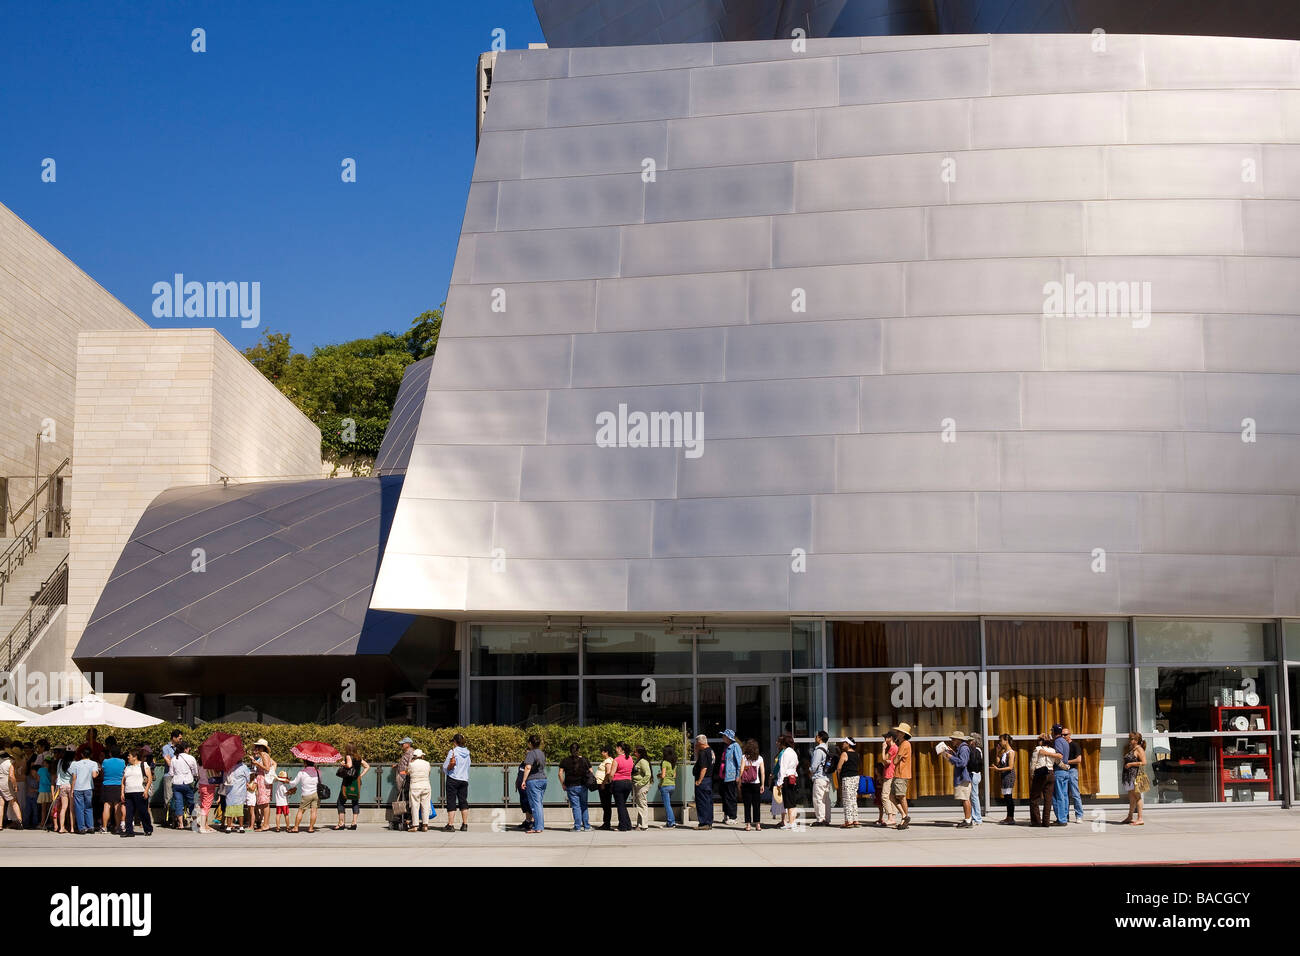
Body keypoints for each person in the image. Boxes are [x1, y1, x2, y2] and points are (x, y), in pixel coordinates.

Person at [334, 742, 369, 831]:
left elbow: (349, 765)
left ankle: (341, 824)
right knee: (355, 801)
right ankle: (354, 823)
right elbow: (367, 766)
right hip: (356, 782)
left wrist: (343, 764)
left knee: (340, 802)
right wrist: (360, 775)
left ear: (348, 749)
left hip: (348, 782)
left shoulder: (348, 756)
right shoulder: (359, 758)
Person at [558, 743, 592, 832]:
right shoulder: (584, 760)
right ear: (579, 750)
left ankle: (577, 827)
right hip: (583, 785)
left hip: (571, 786)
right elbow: (591, 771)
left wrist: (563, 784)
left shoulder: (565, 760)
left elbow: (560, 773)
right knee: (584, 805)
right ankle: (587, 826)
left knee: (576, 807)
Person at [441, 734, 471, 832]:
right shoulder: (467, 752)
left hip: (453, 778)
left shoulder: (453, 751)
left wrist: (447, 771)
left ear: (455, 742)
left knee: (451, 801)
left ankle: (450, 825)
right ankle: (465, 824)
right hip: (464, 779)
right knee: (463, 801)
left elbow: (445, 766)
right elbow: (468, 765)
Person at [943, 731, 973, 829]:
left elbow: (962, 763)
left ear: (958, 740)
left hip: (963, 778)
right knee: (964, 799)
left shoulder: (964, 748)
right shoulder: (961, 748)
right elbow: (960, 760)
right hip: (962, 777)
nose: (952, 741)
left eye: (953, 739)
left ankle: (968, 820)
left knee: (965, 799)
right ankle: (967, 819)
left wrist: (951, 757)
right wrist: (953, 754)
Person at [121, 749, 153, 837]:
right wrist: (122, 793)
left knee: (143, 811)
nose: (128, 757)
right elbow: (123, 781)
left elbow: (149, 778)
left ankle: (148, 829)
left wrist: (146, 790)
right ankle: (129, 831)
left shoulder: (143, 765)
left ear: (135, 757)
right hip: (129, 792)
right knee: (129, 813)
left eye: (129, 756)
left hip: (140, 791)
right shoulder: (127, 767)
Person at [519, 734, 547, 834]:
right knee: (539, 803)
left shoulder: (531, 753)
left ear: (530, 743)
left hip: (533, 780)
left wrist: (523, 780)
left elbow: (528, 767)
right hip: (543, 779)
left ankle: (537, 827)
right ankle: (539, 825)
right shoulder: (542, 753)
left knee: (535, 805)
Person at [1029, 732, 1058, 828]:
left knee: (1034, 798)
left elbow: (1033, 763)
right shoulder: (1053, 751)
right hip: (1051, 773)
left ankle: (1036, 821)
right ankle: (1046, 822)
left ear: (1041, 741)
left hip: (1040, 774)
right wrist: (1067, 767)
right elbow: (1059, 762)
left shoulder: (1037, 749)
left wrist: (1031, 774)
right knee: (1048, 799)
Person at [70, 748, 99, 834]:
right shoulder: (94, 763)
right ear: (91, 755)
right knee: (88, 807)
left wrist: (72, 789)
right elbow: (94, 775)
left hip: (78, 787)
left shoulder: (75, 764)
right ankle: (90, 826)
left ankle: (82, 828)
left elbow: (74, 777)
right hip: (88, 787)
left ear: (82, 754)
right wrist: (98, 772)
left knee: (79, 808)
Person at [287, 760, 321, 833]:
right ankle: (311, 828)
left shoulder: (302, 772)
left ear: (305, 763)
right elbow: (320, 781)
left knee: (301, 811)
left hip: (306, 794)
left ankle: (296, 828)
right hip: (316, 794)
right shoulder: (318, 771)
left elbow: (294, 783)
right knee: (314, 811)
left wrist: (288, 781)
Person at [774, 733, 800, 829]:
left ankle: (791, 822)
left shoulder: (785, 753)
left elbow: (782, 769)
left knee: (788, 802)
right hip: (793, 777)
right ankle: (792, 822)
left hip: (786, 778)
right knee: (792, 802)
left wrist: (779, 782)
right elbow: (797, 763)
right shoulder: (793, 752)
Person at [1121, 732, 1147, 826]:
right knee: (1131, 797)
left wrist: (1131, 764)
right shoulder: (1131, 748)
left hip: (1135, 776)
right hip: (1128, 776)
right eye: (1130, 738)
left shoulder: (1139, 749)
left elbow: (1144, 762)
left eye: (1131, 738)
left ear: (1136, 740)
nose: (1130, 740)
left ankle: (1140, 818)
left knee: (1137, 796)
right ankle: (1130, 816)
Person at [891, 723, 914, 830]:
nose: (897, 733)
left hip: (901, 773)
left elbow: (896, 760)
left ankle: (904, 818)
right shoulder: (903, 744)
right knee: (892, 796)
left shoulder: (905, 744)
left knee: (901, 796)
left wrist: (892, 755)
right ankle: (904, 816)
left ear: (903, 734)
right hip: (899, 773)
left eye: (899, 732)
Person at [739, 738, 765, 831]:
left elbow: (741, 770)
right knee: (756, 805)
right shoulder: (760, 758)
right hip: (756, 783)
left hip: (746, 784)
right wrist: (762, 784)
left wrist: (739, 781)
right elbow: (762, 773)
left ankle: (748, 825)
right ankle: (758, 825)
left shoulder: (744, 757)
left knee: (747, 805)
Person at [251, 739, 276, 831]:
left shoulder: (264, 755)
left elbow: (267, 768)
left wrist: (257, 763)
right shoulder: (264, 755)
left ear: (263, 747)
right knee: (263, 803)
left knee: (265, 803)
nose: (256, 748)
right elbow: (274, 764)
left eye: (258, 746)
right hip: (263, 780)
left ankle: (265, 824)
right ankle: (264, 824)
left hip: (263, 781)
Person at [100, 746, 126, 834]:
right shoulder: (122, 762)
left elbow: (102, 773)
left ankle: (104, 827)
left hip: (107, 784)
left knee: (106, 806)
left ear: (110, 753)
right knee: (117, 806)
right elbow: (124, 773)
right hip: (118, 785)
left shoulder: (105, 761)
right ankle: (118, 827)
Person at [835, 738, 860, 828]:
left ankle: (848, 821)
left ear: (848, 744)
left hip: (847, 778)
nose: (842, 744)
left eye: (844, 743)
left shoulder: (844, 754)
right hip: (856, 777)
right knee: (853, 799)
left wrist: (838, 777)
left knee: (846, 800)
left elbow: (839, 767)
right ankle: (855, 820)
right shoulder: (856, 754)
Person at [876, 731, 898, 827]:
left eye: (886, 737)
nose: (885, 739)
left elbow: (885, 760)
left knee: (884, 796)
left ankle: (890, 817)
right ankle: (892, 817)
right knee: (891, 796)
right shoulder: (895, 747)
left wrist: (883, 749)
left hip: (889, 774)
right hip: (892, 773)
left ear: (891, 738)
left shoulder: (892, 748)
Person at [222, 759, 251, 834]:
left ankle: (228, 827)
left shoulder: (228, 767)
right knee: (240, 810)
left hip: (230, 791)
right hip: (240, 792)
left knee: (229, 809)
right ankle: (241, 827)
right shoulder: (244, 767)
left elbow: (224, 779)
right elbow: (248, 779)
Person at [407, 748, 433, 831]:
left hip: (415, 786)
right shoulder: (427, 763)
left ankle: (415, 825)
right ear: (421, 756)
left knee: (415, 806)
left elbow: (407, 772)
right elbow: (429, 773)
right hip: (426, 786)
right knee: (425, 805)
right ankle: (425, 825)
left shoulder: (412, 764)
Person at [810, 731, 833, 826]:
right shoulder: (826, 749)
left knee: (818, 799)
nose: (815, 738)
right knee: (826, 800)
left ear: (820, 738)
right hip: (826, 778)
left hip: (819, 778)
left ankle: (820, 819)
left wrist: (810, 770)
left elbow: (814, 766)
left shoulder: (818, 750)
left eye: (816, 736)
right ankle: (826, 819)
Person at [392, 736, 415, 832]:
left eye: (403, 744)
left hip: (405, 780)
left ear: (408, 744)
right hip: (402, 779)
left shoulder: (411, 753)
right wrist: (397, 765)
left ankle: (407, 818)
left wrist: (402, 774)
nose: (401, 745)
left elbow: (410, 767)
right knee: (403, 798)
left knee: (406, 798)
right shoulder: (406, 753)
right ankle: (404, 817)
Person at [720, 729, 742, 825]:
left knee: (731, 796)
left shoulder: (735, 746)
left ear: (728, 737)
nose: (722, 737)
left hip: (731, 776)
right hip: (724, 775)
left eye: (724, 736)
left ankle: (733, 816)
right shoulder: (726, 746)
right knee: (724, 796)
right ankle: (726, 815)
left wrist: (738, 775)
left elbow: (739, 762)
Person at [160, 729, 182, 826]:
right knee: (168, 797)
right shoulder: (166, 748)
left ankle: (176, 818)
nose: (180, 740)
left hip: (178, 776)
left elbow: (179, 761)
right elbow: (168, 762)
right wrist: (174, 761)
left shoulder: (181, 748)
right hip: (169, 775)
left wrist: (172, 760)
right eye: (179, 738)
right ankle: (167, 818)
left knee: (178, 797)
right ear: (174, 737)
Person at [993, 733, 1016, 824]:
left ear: (1006, 741)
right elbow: (998, 763)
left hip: (1009, 776)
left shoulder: (1011, 752)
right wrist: (997, 752)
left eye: (1001, 740)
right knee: (1006, 797)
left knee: (1009, 797)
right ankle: (1008, 817)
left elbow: (1010, 767)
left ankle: (1011, 818)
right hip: (1004, 776)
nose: (1000, 742)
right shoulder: (1004, 752)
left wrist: (998, 769)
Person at [611, 741, 634, 832]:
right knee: (622, 804)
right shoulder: (630, 758)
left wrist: (609, 779)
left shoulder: (616, 760)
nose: (615, 749)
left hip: (618, 783)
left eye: (616, 748)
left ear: (620, 748)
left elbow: (612, 773)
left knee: (620, 805)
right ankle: (628, 824)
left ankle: (623, 826)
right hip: (628, 782)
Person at [1050, 723, 1070, 827]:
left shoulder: (1057, 741)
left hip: (1058, 771)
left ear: (1054, 732)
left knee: (1058, 796)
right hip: (1065, 771)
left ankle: (1061, 819)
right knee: (1064, 796)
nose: (1050, 732)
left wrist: (1046, 753)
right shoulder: (1065, 741)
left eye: (1051, 731)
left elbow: (1059, 755)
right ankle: (1064, 817)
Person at [692, 735, 714, 830]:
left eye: (697, 744)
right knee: (708, 801)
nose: (696, 746)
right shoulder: (711, 751)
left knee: (702, 802)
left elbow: (704, 768)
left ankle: (703, 823)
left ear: (700, 743)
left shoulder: (703, 753)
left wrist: (699, 781)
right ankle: (708, 822)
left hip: (703, 780)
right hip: (708, 780)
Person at [1063, 728, 1084, 823]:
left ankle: (1079, 815)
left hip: (1072, 771)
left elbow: (1079, 760)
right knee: (1064, 795)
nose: (1063, 736)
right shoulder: (1061, 745)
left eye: (1065, 734)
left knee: (1075, 794)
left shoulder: (1074, 745)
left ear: (1069, 734)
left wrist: (1066, 762)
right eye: (1062, 735)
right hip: (1063, 771)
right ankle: (1065, 816)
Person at [630, 745, 653, 831]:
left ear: (639, 753)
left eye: (635, 752)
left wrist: (639, 783)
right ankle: (640, 824)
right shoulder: (640, 761)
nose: (634, 753)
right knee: (640, 805)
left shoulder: (643, 761)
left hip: (641, 786)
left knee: (642, 804)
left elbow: (648, 774)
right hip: (640, 786)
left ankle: (644, 825)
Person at [596, 744, 615, 830]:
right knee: (606, 805)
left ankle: (606, 823)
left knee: (606, 805)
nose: (601, 753)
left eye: (603, 751)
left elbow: (608, 772)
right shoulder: (610, 760)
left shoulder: (608, 761)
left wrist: (603, 783)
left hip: (605, 785)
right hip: (604, 784)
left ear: (606, 752)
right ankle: (606, 823)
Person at [53, 749, 74, 834]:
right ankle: (72, 828)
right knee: (71, 808)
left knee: (63, 807)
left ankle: (62, 827)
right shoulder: (73, 763)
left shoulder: (60, 762)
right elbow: (74, 775)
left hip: (62, 786)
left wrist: (57, 787)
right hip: (70, 785)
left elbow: (58, 774)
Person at [658, 745, 677, 829]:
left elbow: (663, 775)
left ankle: (671, 822)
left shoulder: (664, 762)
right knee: (669, 804)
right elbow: (675, 775)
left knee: (667, 805)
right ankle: (670, 821)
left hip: (665, 785)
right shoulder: (673, 763)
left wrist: (658, 775)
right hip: (672, 785)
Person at [968, 733, 984, 826]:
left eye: (970, 739)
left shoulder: (976, 750)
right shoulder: (977, 750)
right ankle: (975, 816)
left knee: (974, 796)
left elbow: (974, 763)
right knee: (973, 796)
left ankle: (977, 818)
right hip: (976, 774)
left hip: (974, 774)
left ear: (974, 741)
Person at [0, 748, 18, 829]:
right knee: (14, 802)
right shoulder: (9, 763)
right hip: (6, 785)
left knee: (1, 805)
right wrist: (15, 785)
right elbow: (11, 776)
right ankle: (19, 821)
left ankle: (0, 825)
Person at [37, 756, 54, 830]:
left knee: (43, 809)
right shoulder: (52, 770)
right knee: (50, 808)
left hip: (43, 790)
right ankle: (51, 822)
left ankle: (42, 823)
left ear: (45, 762)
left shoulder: (41, 770)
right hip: (50, 790)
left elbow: (37, 779)